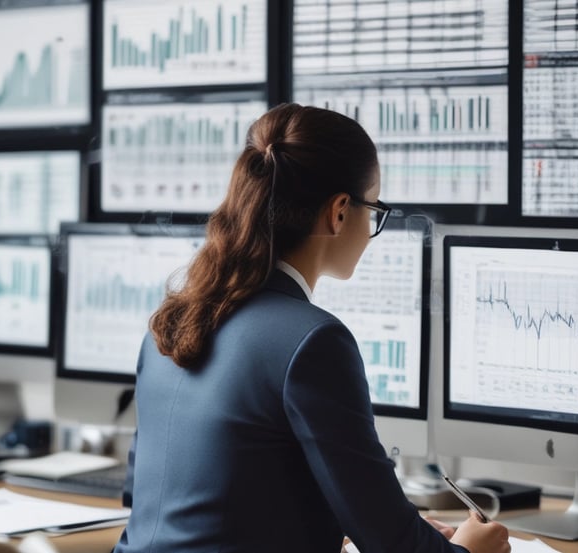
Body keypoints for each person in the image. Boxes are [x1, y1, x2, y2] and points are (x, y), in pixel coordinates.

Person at [114, 103, 511, 553]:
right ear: (339, 211)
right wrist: (470, 549)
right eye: (373, 208)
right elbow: (392, 545)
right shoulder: (313, 341)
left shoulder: (174, 321)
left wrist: (328, 526)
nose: (372, 225)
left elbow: (178, 505)